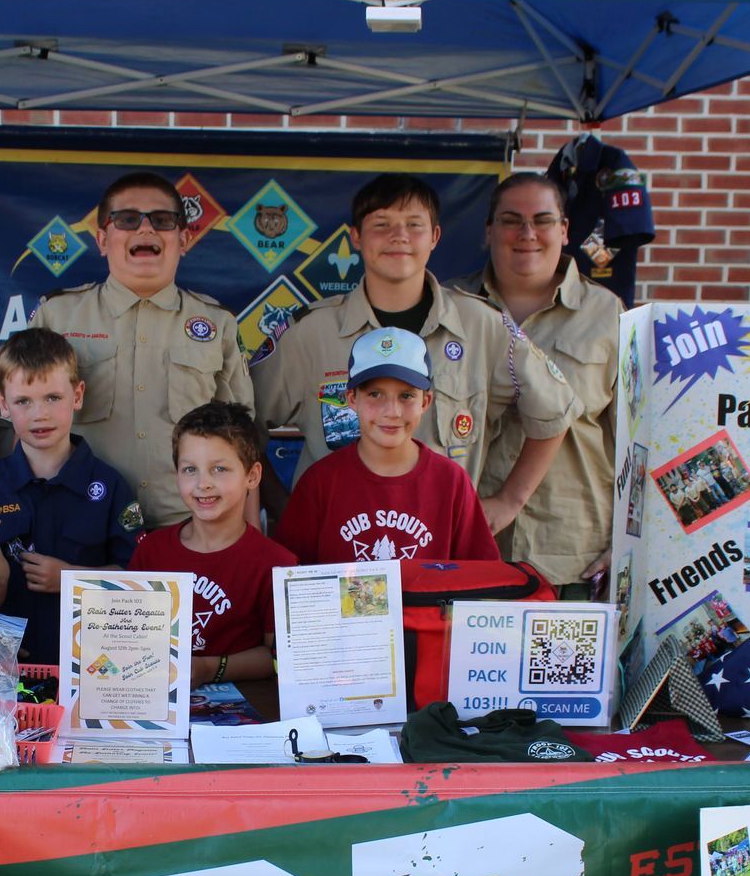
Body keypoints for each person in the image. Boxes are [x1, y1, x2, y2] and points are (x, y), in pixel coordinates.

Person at [254, 172, 577, 530]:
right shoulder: (310, 333)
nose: (399, 236)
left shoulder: (482, 326)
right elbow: (241, 425)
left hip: (441, 551)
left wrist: (509, 501)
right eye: (382, 224)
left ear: (435, 236)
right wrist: (283, 506)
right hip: (335, 558)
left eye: (414, 224)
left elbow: (554, 410)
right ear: (356, 237)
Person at [32, 172, 252, 530]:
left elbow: (242, 439)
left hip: (185, 528)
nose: (145, 230)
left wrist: (246, 534)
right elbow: (16, 431)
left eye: (163, 220)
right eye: (128, 219)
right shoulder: (56, 317)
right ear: (103, 239)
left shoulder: (218, 323)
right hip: (78, 526)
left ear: (183, 239)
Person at [448, 172, 624, 597]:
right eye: (511, 220)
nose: (527, 233)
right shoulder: (451, 307)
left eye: (542, 220)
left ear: (564, 231)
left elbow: (635, 446)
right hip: (466, 551)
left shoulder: (608, 314)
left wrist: (627, 543)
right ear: (489, 230)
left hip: (571, 555)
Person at [0, 329, 144, 668]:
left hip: (96, 669)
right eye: (23, 401)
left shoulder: (109, 486)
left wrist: (71, 579)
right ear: (2, 404)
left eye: (53, 398)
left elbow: (139, 580)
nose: (39, 414)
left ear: (78, 395)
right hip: (5, 671)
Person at [274, 327, 499, 566]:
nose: (392, 411)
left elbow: (481, 577)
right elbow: (291, 582)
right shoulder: (320, 482)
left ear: (425, 401)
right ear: (351, 399)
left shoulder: (451, 482)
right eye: (375, 394)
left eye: (406, 396)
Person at [130, 401, 296, 687]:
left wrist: (210, 668)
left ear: (252, 476)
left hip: (247, 711)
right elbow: (126, 637)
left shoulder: (277, 563)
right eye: (190, 469)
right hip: (155, 705)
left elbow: (277, 656)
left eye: (219, 469)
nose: (202, 483)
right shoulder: (151, 551)